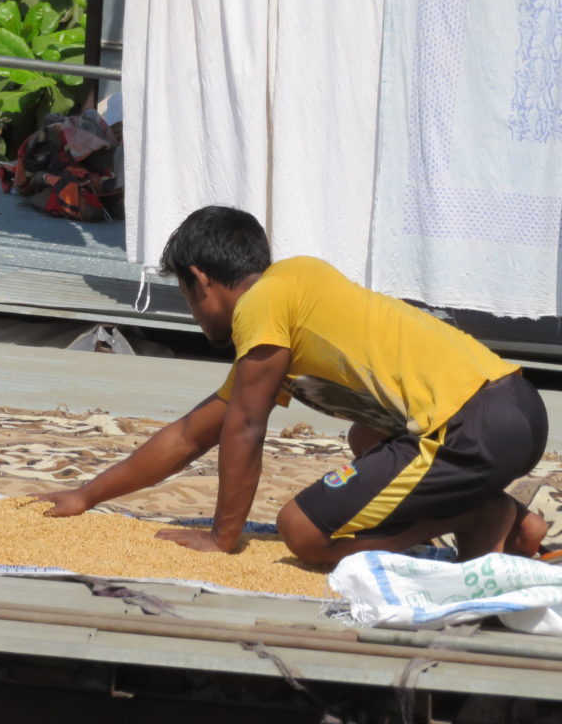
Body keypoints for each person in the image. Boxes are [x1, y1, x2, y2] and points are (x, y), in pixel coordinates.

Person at [39, 206, 549, 565]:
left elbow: (245, 428)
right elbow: (194, 433)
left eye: (187, 296)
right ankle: (505, 515)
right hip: (516, 407)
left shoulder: (261, 308)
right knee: (364, 440)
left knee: (302, 531)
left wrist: (223, 537)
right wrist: (87, 494)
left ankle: (479, 511)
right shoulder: (292, 289)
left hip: (474, 428)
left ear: (202, 278)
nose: (193, 314)